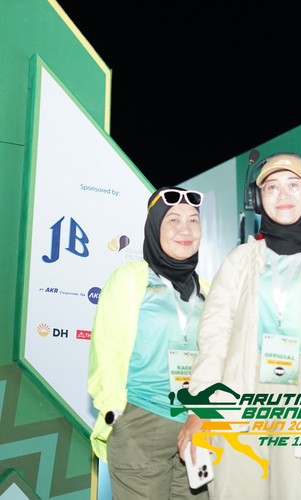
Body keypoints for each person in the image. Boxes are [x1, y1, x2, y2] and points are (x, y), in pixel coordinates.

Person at [178, 153, 301, 500]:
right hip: (238, 402)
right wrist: (200, 408)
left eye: (294, 185)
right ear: (257, 198)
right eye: (272, 187)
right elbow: (214, 338)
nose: (283, 195)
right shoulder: (239, 261)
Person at [88, 186, 210, 499]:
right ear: (154, 227)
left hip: (195, 426)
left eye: (193, 220)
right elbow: (105, 350)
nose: (185, 229)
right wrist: (115, 412)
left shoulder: (209, 290)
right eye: (173, 220)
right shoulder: (129, 279)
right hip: (141, 420)